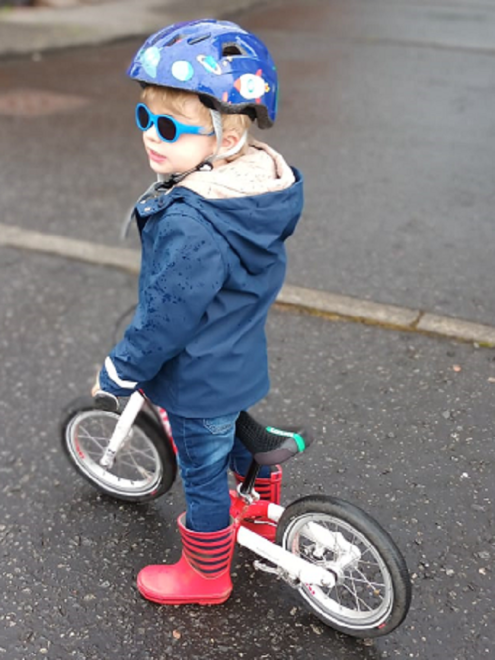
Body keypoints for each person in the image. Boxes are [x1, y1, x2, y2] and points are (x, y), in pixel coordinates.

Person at [92, 18, 304, 606]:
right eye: (143, 118)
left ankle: (206, 574)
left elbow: (166, 316)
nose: (150, 136)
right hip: (235, 354)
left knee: (204, 474)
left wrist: (121, 369)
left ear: (226, 142)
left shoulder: (191, 220)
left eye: (169, 126)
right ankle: (263, 497)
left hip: (195, 374)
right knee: (228, 426)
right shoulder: (255, 192)